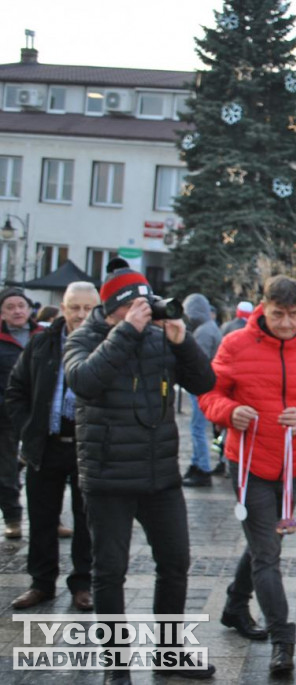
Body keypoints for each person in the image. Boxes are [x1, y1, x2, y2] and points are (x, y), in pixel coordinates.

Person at [64, 263, 217, 684]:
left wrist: (182, 343)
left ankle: (169, 653)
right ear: (114, 308)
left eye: (145, 303)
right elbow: (85, 381)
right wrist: (126, 332)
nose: (143, 311)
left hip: (159, 476)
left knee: (175, 563)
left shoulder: (158, 338)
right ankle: (117, 665)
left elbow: (205, 382)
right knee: (109, 571)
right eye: (133, 305)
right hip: (108, 477)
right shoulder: (84, 337)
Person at [199, 275, 296, 675]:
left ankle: (236, 605)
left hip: (294, 464)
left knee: (264, 542)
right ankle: (282, 638)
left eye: (293, 314)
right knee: (269, 553)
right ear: (262, 307)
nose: (286, 323)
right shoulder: (236, 344)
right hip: (248, 461)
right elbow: (209, 393)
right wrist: (227, 412)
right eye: (277, 314)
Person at [5, 282, 99, 611]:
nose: (81, 315)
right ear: (63, 308)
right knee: (42, 517)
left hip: (88, 446)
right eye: (75, 307)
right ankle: (41, 584)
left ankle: (82, 584)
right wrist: (27, 428)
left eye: (88, 308)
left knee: (87, 519)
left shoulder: (106, 344)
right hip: (47, 444)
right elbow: (16, 390)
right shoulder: (42, 343)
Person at [0, 287, 41, 539]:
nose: (17, 311)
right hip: (5, 415)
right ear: (2, 314)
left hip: (40, 413)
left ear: (29, 309)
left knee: (45, 467)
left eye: (21, 306)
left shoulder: (43, 335)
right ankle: (13, 517)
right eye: (10, 307)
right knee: (5, 468)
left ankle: (51, 519)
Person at [182, 293, 223, 486]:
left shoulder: (204, 331)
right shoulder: (209, 328)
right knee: (198, 428)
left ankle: (203, 467)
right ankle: (198, 464)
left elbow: (198, 362)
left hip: (203, 387)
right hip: (207, 386)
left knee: (198, 429)